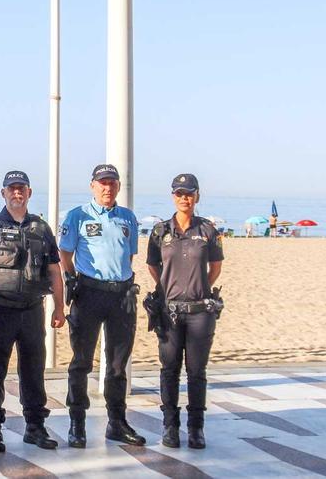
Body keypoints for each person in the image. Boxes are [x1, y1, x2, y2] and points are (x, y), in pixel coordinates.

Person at [0, 170, 65, 452]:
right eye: (12, 189)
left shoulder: (41, 228)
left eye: (22, 189)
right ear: (3, 193)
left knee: (33, 370)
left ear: (29, 193)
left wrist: (59, 307)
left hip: (32, 310)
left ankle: (35, 427)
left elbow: (55, 270)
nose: (17, 193)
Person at [58, 163, 146, 448]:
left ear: (118, 186)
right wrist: (74, 279)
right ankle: (77, 423)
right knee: (81, 361)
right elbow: (65, 253)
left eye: (112, 183)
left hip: (121, 296)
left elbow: (128, 257)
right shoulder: (77, 216)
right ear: (93, 186)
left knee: (118, 364)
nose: (107, 188)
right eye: (102, 183)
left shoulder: (128, 218)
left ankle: (116, 423)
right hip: (89, 294)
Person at [146, 174, 223, 450]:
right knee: (169, 370)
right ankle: (170, 426)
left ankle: (195, 428)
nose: (184, 198)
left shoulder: (208, 230)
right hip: (170, 311)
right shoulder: (159, 232)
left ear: (197, 196)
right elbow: (153, 266)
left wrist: (200, 287)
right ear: (173, 197)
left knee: (196, 372)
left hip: (200, 312)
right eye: (179, 193)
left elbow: (215, 266)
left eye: (189, 193)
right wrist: (167, 287)